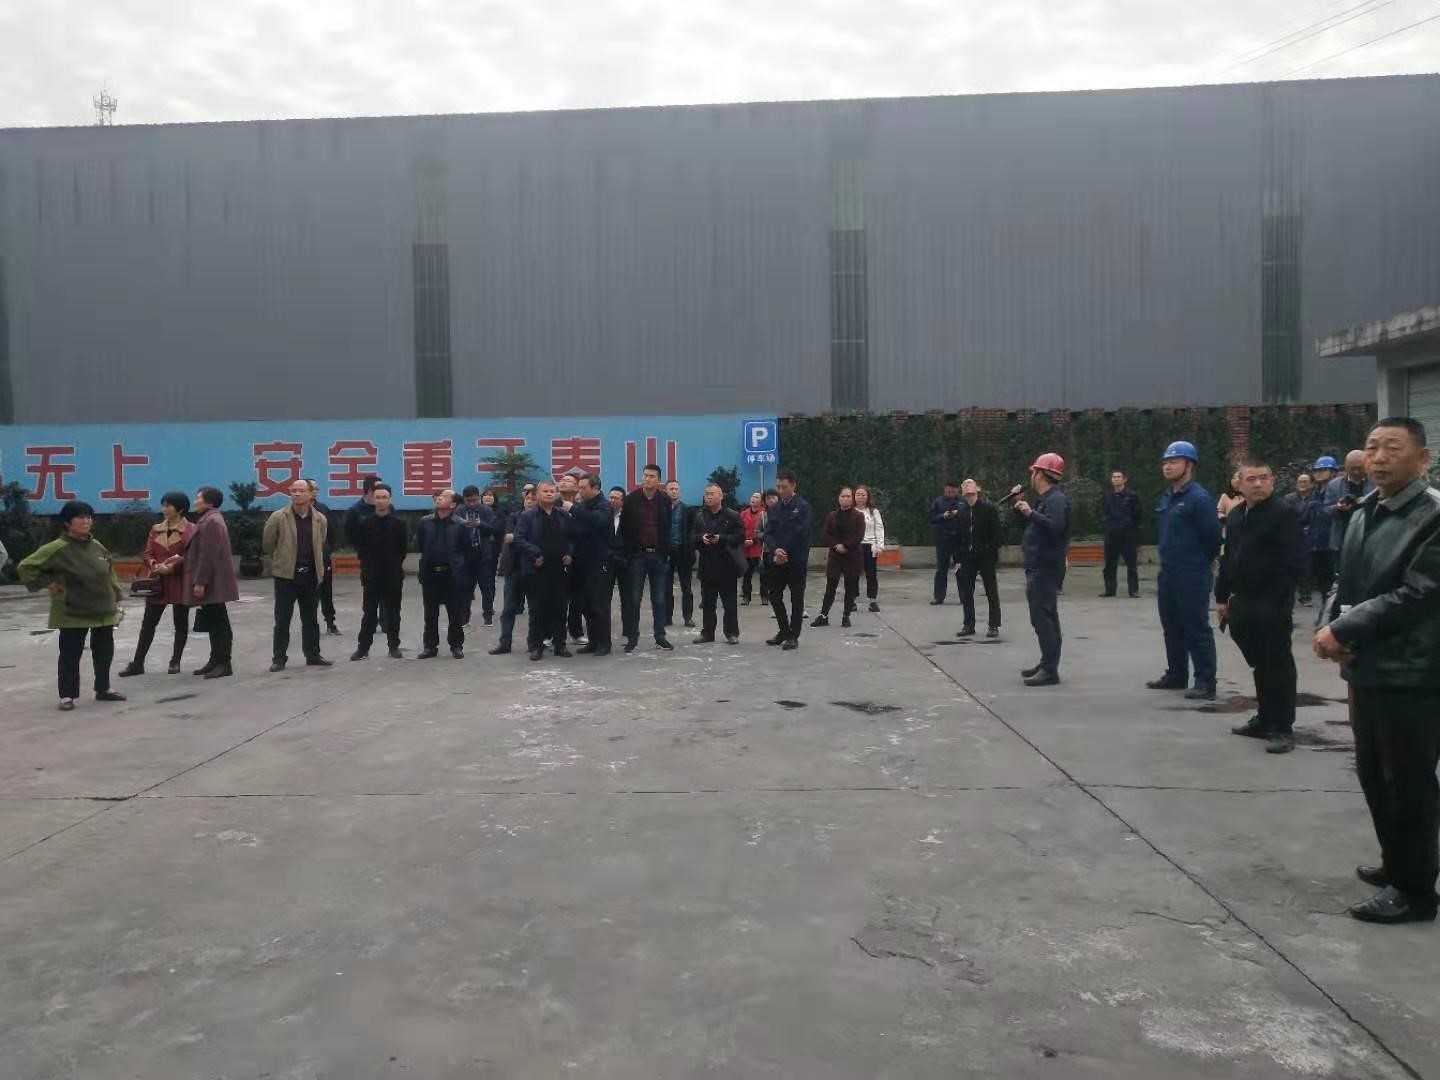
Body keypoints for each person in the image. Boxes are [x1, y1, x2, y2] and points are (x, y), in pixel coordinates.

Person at [1314, 417, 1440, 925]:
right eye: (1372, 447)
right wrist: (1330, 625)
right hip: (1367, 665)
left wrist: (1346, 629)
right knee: (1375, 775)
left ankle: (1415, 891)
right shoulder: (1365, 510)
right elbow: (1343, 580)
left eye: (1392, 448)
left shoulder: (1432, 515)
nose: (1379, 458)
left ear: (1423, 460)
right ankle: (1399, 864)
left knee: (1408, 781)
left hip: (1413, 670)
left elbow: (1419, 592)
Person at [1216, 462, 1304, 755]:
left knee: (1277, 664)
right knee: (1259, 663)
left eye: (1263, 478)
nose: (1257, 484)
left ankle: (1282, 727)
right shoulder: (1236, 515)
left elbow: (1294, 561)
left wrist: (1280, 599)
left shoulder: (1283, 514)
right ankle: (1265, 719)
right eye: (1251, 479)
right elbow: (1228, 559)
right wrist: (1222, 597)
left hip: (1272, 602)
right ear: (1239, 484)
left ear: (1272, 482)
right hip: (1243, 601)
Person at [19, 501, 127, 711]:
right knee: (70, 654)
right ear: (68, 522)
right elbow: (26, 566)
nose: (86, 521)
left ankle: (103, 688)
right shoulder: (56, 548)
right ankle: (67, 695)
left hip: (103, 609)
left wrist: (117, 594)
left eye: (89, 517)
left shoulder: (97, 546)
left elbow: (109, 571)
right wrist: (48, 583)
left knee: (104, 652)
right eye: (80, 517)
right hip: (72, 610)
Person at [1148, 441, 1223, 700]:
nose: (1167, 466)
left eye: (1174, 461)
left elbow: (1213, 537)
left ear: (1189, 465)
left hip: (1192, 573)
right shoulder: (1168, 496)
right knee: (1171, 625)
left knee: (1195, 626)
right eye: (1165, 462)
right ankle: (1177, 674)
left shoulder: (1199, 498)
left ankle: (1205, 680)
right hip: (1168, 572)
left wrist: (1200, 561)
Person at [119, 491, 194, 676]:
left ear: (180, 509)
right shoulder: (156, 529)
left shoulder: (191, 530)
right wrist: (153, 564)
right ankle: (138, 663)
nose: (164, 509)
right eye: (164, 505)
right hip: (157, 580)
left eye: (168, 505)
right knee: (148, 623)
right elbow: (148, 552)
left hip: (179, 579)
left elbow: (192, 555)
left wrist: (172, 567)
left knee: (180, 622)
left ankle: (175, 661)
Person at [262, 479, 332, 672]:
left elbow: (321, 543)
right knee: (282, 619)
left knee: (310, 619)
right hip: (286, 576)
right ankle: (279, 658)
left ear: (311, 494)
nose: (297, 494)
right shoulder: (279, 517)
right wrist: (282, 559)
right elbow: (268, 543)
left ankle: (313, 655)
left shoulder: (320, 519)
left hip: (310, 575)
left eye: (301, 490)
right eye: (293, 490)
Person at [1013, 454, 1070, 686]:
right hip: (1038, 565)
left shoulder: (1056, 500)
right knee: (1045, 617)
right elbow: (1032, 526)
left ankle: (1049, 669)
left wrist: (1031, 513)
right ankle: (1047, 662)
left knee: (1043, 618)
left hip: (1046, 567)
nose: (1032, 476)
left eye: (1034, 472)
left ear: (1040, 474)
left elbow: (1055, 527)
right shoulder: (1046, 499)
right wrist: (1021, 508)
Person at [514, 480, 575, 661]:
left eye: (552, 491)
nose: (549, 494)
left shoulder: (563, 515)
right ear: (537, 495)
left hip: (559, 568)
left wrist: (569, 553)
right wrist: (535, 554)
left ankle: (560, 644)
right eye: (545, 491)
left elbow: (572, 538)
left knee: (560, 608)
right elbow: (519, 539)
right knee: (537, 609)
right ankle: (536, 645)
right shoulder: (528, 516)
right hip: (537, 569)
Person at [184, 486, 239, 679]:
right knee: (214, 622)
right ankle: (215, 660)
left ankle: (224, 663)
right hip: (212, 580)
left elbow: (208, 555)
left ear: (209, 502)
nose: (195, 501)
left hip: (213, 581)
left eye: (198, 498)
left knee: (219, 623)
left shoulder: (212, 522)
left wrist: (200, 582)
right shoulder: (208, 519)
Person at [350, 482, 408, 661]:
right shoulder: (364, 523)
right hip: (371, 574)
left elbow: (403, 549)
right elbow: (359, 547)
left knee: (393, 612)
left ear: (390, 499)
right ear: (372, 499)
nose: (381, 501)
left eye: (384, 497)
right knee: (369, 613)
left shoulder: (399, 524)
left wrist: (393, 564)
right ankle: (363, 648)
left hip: (393, 575)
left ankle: (394, 646)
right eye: (378, 497)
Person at [621, 464, 674, 652]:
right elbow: (624, 528)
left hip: (658, 555)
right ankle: (632, 637)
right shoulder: (632, 499)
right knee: (634, 599)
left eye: (651, 476)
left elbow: (667, 527)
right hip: (638, 556)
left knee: (659, 599)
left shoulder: (664, 499)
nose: (647, 479)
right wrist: (628, 554)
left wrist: (665, 553)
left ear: (658, 480)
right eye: (645, 475)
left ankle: (660, 636)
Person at [415, 489, 468, 659]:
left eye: (444, 497)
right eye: (438, 496)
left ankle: (456, 645)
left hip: (452, 574)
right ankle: (430, 646)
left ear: (453, 504)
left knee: (455, 613)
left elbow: (466, 550)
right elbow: (420, 544)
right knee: (430, 613)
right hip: (430, 573)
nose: (439, 498)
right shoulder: (425, 522)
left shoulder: (461, 524)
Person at [766, 470, 812, 651]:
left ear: (793, 486)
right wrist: (775, 549)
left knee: (796, 598)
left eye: (784, 487)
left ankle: (794, 635)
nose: (780, 490)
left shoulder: (802, 506)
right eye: (778, 487)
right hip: (777, 559)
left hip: (796, 559)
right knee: (774, 595)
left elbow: (801, 532)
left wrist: (784, 550)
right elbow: (768, 533)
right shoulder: (774, 508)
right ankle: (784, 630)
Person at [569, 474, 615, 656]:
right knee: (586, 604)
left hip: (599, 562)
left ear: (595, 488)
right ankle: (593, 641)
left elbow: (597, 521)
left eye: (583, 488)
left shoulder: (604, 506)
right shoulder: (582, 506)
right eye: (579, 487)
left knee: (599, 604)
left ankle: (604, 643)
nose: (580, 491)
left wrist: (572, 509)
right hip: (581, 561)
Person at [692, 482, 744, 643]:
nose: (708, 497)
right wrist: (701, 538)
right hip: (707, 564)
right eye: (706, 494)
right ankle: (707, 633)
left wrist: (721, 538)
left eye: (711, 494)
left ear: (720, 496)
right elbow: (692, 537)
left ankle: (732, 633)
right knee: (708, 603)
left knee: (730, 603)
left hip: (727, 565)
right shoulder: (700, 515)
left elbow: (740, 536)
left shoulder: (732, 515)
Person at [489, 488, 535, 655]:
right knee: (508, 608)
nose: (530, 502)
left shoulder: (541, 518)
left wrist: (518, 539)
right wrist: (521, 539)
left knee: (535, 609)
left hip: (534, 567)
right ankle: (505, 642)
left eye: (534, 499)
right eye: (528, 499)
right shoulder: (514, 517)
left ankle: (534, 642)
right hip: (513, 567)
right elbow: (510, 537)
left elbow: (519, 538)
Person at [812, 486, 865, 628]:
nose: (845, 499)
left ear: (852, 499)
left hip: (852, 556)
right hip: (835, 556)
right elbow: (826, 534)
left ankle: (846, 616)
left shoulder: (858, 516)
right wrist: (836, 545)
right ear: (838, 498)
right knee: (830, 587)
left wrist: (845, 545)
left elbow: (859, 535)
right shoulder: (832, 516)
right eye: (843, 496)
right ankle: (823, 616)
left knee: (850, 587)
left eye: (848, 496)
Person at [956, 479, 1003, 638]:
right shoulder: (962, 512)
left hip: (986, 557)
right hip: (967, 557)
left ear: (977, 491)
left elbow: (997, 533)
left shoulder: (988, 509)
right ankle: (968, 624)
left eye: (972, 492)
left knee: (991, 590)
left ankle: (994, 625)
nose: (970, 495)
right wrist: (959, 559)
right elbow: (959, 537)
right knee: (967, 592)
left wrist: (991, 552)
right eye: (966, 493)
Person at [455, 484, 503, 626]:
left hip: (483, 555)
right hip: (465, 556)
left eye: (474, 500)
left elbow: (495, 529)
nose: (471, 503)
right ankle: (464, 618)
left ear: (478, 498)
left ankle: (487, 616)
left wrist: (480, 525)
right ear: (464, 499)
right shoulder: (459, 510)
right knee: (465, 588)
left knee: (486, 588)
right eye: (468, 501)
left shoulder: (486, 510)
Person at [1324, 449, 1374, 570]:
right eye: (1353, 468)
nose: (1356, 471)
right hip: (1342, 536)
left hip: (1369, 535)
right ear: (1346, 467)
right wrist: (1338, 508)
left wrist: (1366, 502)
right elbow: (1326, 510)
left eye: (1359, 468)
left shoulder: (1376, 484)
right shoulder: (1333, 485)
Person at [305, 478, 341, 636]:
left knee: (326, 590)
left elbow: (332, 533)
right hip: (304, 559)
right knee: (308, 593)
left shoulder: (323, 509)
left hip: (322, 556)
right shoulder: (294, 511)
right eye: (312, 488)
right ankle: (309, 624)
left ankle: (330, 622)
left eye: (316, 489)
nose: (315, 491)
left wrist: (327, 549)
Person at [1101, 469, 1142, 598]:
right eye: (1114, 477)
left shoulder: (1132, 496)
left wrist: (1130, 525)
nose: (1116, 479)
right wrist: (1108, 524)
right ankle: (1110, 590)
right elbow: (1105, 512)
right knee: (1109, 565)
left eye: (1119, 477)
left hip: (1127, 535)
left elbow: (1138, 514)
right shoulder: (1108, 496)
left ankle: (1133, 590)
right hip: (1111, 535)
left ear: (1124, 479)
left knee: (1131, 564)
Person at [664, 479, 696, 630]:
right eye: (671, 489)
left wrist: (690, 549)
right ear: (666, 491)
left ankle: (688, 617)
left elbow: (692, 532)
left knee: (686, 587)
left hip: (683, 552)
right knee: (666, 587)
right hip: (666, 551)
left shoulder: (687, 510)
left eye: (676, 489)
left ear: (679, 491)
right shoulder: (661, 509)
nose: (674, 491)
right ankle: (667, 617)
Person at [1282, 472, 1317, 605]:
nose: (1302, 484)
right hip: (1293, 535)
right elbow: (1287, 516)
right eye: (1300, 482)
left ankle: (1305, 596)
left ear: (1311, 484)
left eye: (1305, 482)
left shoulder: (1315, 497)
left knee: (1307, 568)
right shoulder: (1289, 498)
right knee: (1290, 567)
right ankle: (1288, 596)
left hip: (1311, 536)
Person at [607, 485, 636, 636]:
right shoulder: (604, 516)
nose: (612, 500)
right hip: (607, 562)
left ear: (623, 501)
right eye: (610, 497)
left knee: (627, 599)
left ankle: (629, 631)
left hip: (624, 562)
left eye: (616, 498)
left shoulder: (629, 518)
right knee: (604, 599)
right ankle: (604, 631)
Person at [929, 481, 963, 604]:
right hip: (943, 539)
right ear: (945, 490)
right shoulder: (938, 502)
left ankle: (964, 596)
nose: (951, 493)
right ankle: (938, 596)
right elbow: (932, 518)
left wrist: (958, 514)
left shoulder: (963, 502)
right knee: (941, 569)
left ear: (958, 490)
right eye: (949, 491)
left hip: (959, 539)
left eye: (953, 491)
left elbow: (969, 515)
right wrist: (943, 516)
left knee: (961, 568)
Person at [854, 485, 885, 612]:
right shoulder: (850, 511)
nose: (860, 497)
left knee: (871, 574)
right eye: (858, 494)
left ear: (867, 497)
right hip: (855, 546)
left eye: (863, 495)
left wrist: (880, 546)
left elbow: (879, 528)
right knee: (853, 574)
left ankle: (872, 601)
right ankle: (852, 600)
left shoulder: (873, 511)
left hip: (870, 546)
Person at [739, 492, 765, 605]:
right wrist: (743, 540)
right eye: (752, 496)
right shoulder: (743, 514)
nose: (753, 499)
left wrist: (754, 540)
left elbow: (765, 530)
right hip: (746, 548)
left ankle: (764, 596)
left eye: (757, 497)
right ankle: (746, 596)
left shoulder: (764, 513)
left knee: (763, 574)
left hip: (759, 548)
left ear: (761, 501)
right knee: (747, 574)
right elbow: (739, 529)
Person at [756, 488, 779, 609]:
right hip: (766, 549)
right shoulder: (763, 515)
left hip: (779, 550)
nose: (771, 500)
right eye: (768, 498)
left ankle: (775, 595)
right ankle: (764, 596)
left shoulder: (783, 513)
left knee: (777, 575)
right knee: (765, 574)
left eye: (773, 497)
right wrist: (765, 536)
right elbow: (757, 532)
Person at [346, 474, 382, 541]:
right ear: (370, 491)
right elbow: (349, 536)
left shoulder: (388, 508)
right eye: (379, 489)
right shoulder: (354, 511)